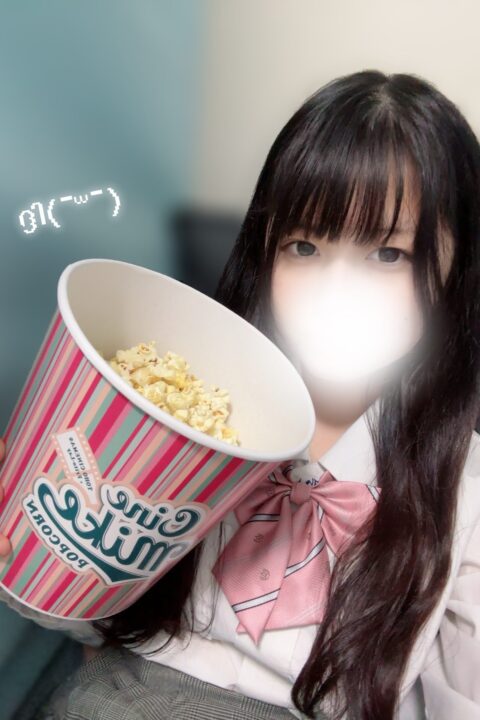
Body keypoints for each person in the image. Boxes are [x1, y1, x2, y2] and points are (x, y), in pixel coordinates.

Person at [1, 68, 480, 720]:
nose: (335, 292)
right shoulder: (187, 407)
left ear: (456, 267)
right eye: (304, 246)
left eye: (388, 254)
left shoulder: (464, 493)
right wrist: (31, 546)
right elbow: (96, 616)